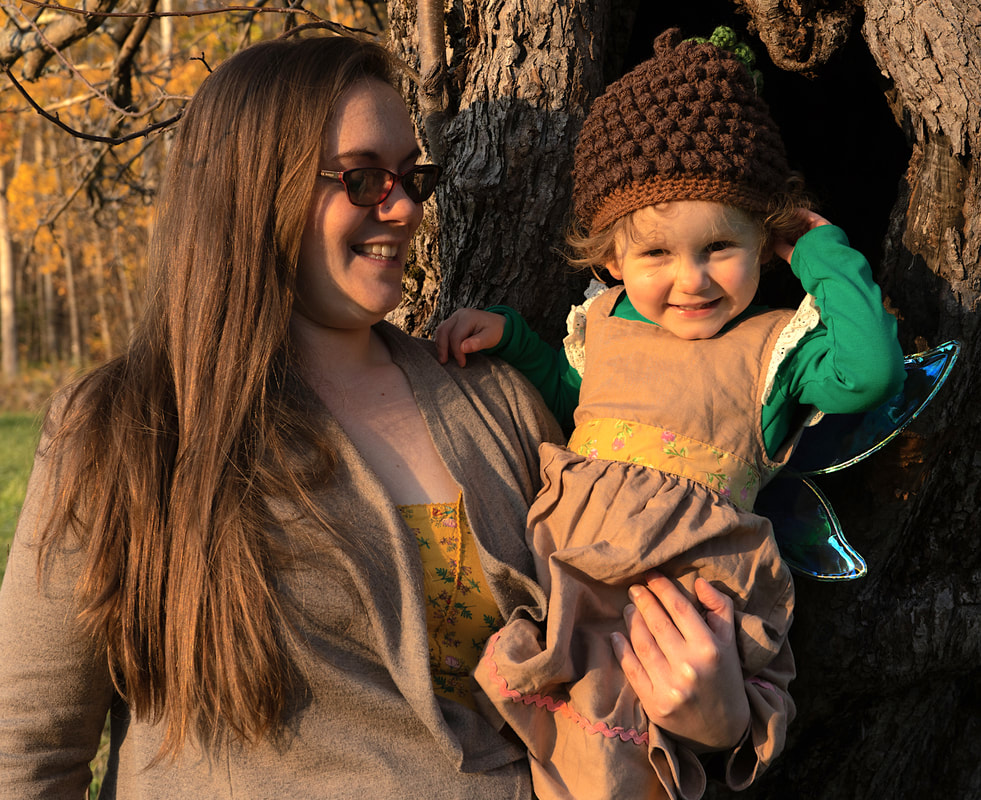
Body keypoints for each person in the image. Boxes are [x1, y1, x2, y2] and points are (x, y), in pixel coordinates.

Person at [0, 33, 753, 798]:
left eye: (410, 177)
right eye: (361, 180)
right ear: (254, 188)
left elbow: (606, 690)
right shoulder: (130, 426)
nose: (401, 209)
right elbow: (26, 751)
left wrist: (714, 723)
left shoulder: (497, 403)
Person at [436, 27, 906, 800]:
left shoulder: (770, 353)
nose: (690, 280)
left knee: (635, 753)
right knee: (551, 737)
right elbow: (579, 405)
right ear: (612, 259)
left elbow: (871, 372)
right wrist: (515, 341)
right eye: (656, 254)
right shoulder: (604, 323)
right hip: (575, 575)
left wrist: (816, 247)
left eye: (721, 245)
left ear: (764, 237)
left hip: (681, 597)